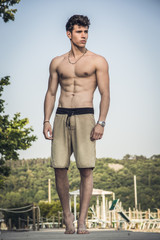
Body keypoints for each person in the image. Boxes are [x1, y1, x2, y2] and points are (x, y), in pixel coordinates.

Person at [43, 15, 110, 234]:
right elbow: (51, 92)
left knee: (86, 169)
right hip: (61, 116)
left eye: (86, 31)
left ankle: (82, 221)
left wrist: (101, 122)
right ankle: (67, 215)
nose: (84, 36)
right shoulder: (57, 62)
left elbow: (105, 93)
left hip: (85, 116)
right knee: (59, 168)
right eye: (79, 31)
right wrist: (46, 120)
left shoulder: (97, 60)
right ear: (69, 34)